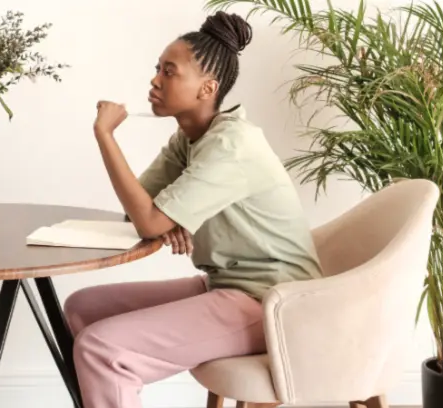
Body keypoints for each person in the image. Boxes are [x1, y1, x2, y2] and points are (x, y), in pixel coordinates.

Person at [66, 11, 323, 408]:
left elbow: (149, 219)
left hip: (271, 301)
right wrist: (161, 220)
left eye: (169, 72)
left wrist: (105, 135)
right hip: (224, 286)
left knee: (103, 349)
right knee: (83, 308)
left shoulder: (231, 146)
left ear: (207, 88)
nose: (154, 80)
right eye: (157, 69)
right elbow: (139, 214)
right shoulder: (187, 140)